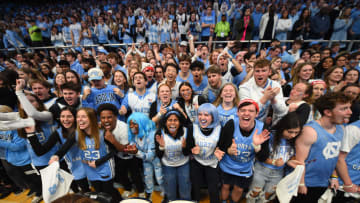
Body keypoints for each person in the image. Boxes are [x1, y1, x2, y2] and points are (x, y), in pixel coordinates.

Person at [292, 92, 352, 202]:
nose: (349, 112)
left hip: (322, 183)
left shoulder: (340, 129)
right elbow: (299, 161)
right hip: (304, 184)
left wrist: (334, 177)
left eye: (349, 108)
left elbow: (334, 157)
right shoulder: (310, 131)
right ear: (328, 112)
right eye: (344, 109)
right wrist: (301, 184)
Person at [218, 99, 270, 203]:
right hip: (227, 165)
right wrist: (228, 149)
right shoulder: (231, 124)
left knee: (239, 189)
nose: (246, 113)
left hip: (244, 168)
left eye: (251, 111)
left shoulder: (262, 128)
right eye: (243, 110)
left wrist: (257, 146)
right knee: (225, 186)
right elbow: (220, 145)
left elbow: (263, 157)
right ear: (238, 112)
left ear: (257, 114)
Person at [246, 112, 303, 203]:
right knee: (253, 194)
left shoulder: (295, 141)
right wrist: (273, 162)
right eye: (290, 132)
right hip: (261, 170)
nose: (293, 135)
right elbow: (260, 156)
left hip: (278, 173)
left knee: (267, 197)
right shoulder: (270, 135)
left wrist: (288, 162)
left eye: (296, 132)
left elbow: (287, 156)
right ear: (282, 127)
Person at [33, 107, 90, 193]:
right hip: (76, 166)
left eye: (69, 116)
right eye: (62, 116)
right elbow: (40, 151)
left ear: (75, 118)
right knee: (85, 191)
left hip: (91, 163)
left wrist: (57, 155)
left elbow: (68, 144)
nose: (65, 119)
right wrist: (30, 134)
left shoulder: (82, 128)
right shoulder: (58, 132)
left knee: (100, 189)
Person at [96, 104, 145, 198]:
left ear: (116, 117)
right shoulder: (100, 126)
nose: (106, 120)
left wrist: (113, 140)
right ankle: (128, 188)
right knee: (120, 173)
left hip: (130, 154)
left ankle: (141, 191)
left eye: (109, 117)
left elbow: (125, 149)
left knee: (135, 175)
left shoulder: (124, 128)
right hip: (117, 155)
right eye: (103, 118)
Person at [184, 103, 223, 203]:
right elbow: (188, 147)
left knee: (213, 189)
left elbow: (222, 146)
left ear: (213, 117)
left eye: (206, 115)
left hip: (212, 163)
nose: (202, 117)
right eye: (200, 114)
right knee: (195, 186)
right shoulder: (192, 127)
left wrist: (220, 150)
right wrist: (192, 149)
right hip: (197, 162)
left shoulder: (219, 128)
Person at [155, 110, 192, 202]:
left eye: (175, 120)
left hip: (183, 164)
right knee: (170, 191)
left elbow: (188, 153)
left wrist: (184, 147)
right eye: (170, 120)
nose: (172, 123)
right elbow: (158, 155)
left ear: (180, 122)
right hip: (168, 165)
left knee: (185, 190)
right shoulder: (160, 133)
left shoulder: (186, 131)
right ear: (165, 122)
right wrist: (161, 147)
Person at [126, 112, 164, 199]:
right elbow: (133, 146)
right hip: (146, 160)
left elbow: (151, 155)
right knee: (147, 177)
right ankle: (149, 193)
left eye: (134, 124)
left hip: (156, 160)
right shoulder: (134, 136)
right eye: (130, 124)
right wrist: (131, 149)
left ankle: (165, 192)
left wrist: (136, 152)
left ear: (142, 123)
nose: (132, 126)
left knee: (160, 177)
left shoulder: (152, 135)